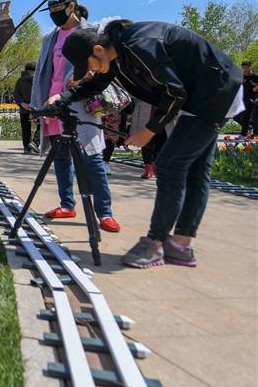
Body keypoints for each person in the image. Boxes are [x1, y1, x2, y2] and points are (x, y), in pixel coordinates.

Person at [55, 19, 243, 269]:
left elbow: (175, 93)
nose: (88, 71)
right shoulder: (117, 53)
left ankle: (154, 244)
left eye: (86, 65)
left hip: (214, 92)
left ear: (98, 50)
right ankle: (180, 246)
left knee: (169, 165)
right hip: (204, 92)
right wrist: (63, 98)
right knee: (195, 171)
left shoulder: (138, 46)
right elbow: (97, 83)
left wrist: (148, 131)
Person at [29, 0, 119, 233]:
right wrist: (37, 105)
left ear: (72, 6)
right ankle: (67, 204)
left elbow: (102, 69)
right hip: (54, 104)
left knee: (92, 158)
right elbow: (42, 73)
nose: (55, 14)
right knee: (60, 156)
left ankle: (104, 212)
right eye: (51, 10)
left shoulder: (93, 32)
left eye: (59, 9)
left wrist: (78, 83)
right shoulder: (50, 37)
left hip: (82, 104)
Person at [13, 62, 37, 154]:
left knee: (25, 129)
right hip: (35, 108)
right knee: (41, 125)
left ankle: (27, 148)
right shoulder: (37, 78)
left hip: (23, 109)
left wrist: (22, 103)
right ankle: (35, 142)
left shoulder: (19, 80)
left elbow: (16, 93)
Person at [235, 62, 257, 135]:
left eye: (246, 68)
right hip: (241, 98)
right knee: (236, 116)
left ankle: (243, 133)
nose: (244, 69)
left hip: (251, 99)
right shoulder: (241, 76)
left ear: (250, 67)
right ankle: (249, 125)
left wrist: (256, 88)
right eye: (243, 68)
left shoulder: (255, 77)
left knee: (245, 116)